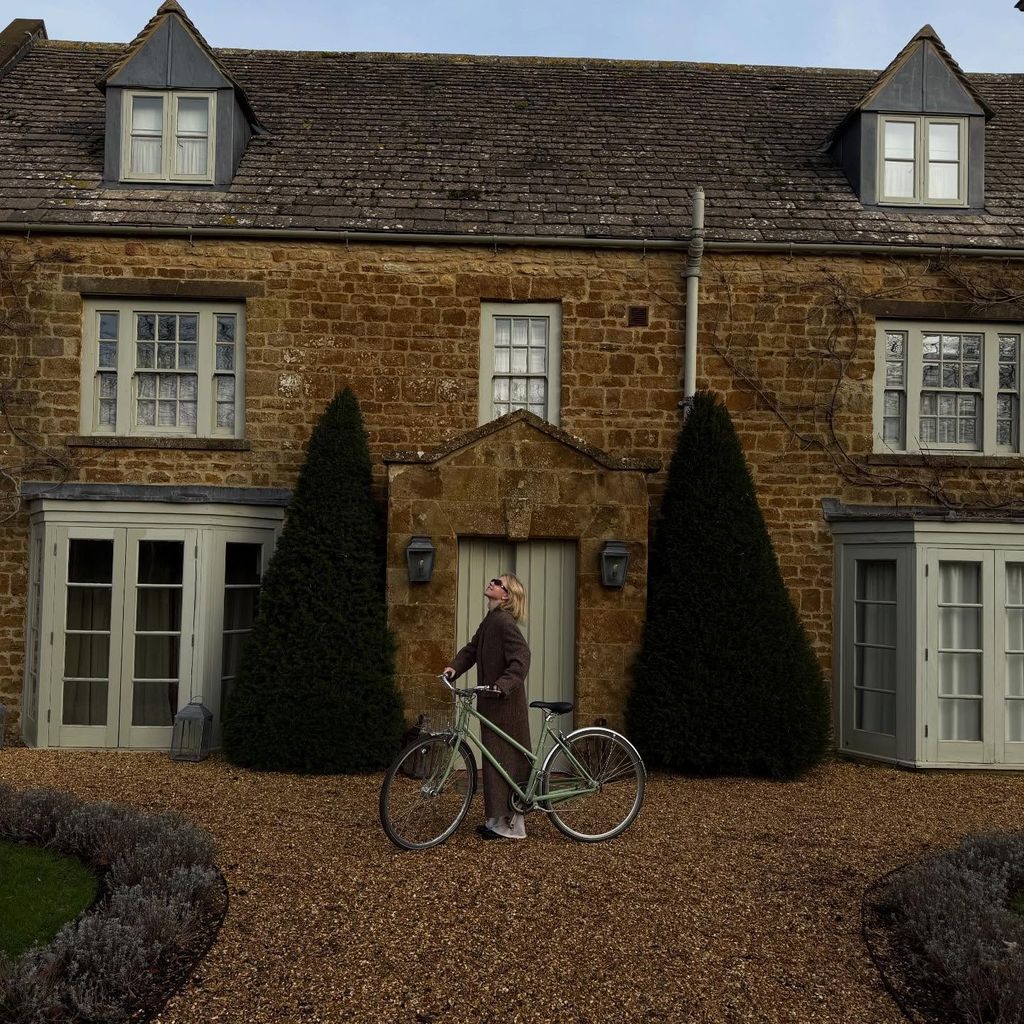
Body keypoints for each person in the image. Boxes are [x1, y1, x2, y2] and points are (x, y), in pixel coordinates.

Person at [444, 574, 531, 841]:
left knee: (508, 762)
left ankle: (514, 825)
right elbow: (471, 649)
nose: (492, 583)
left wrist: (502, 685)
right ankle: (496, 821)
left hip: (505, 705)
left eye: (498, 583)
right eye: (494, 580)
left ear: (506, 595)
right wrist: (454, 667)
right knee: (494, 762)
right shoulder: (490, 620)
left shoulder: (505, 623)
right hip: (491, 702)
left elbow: (522, 658)